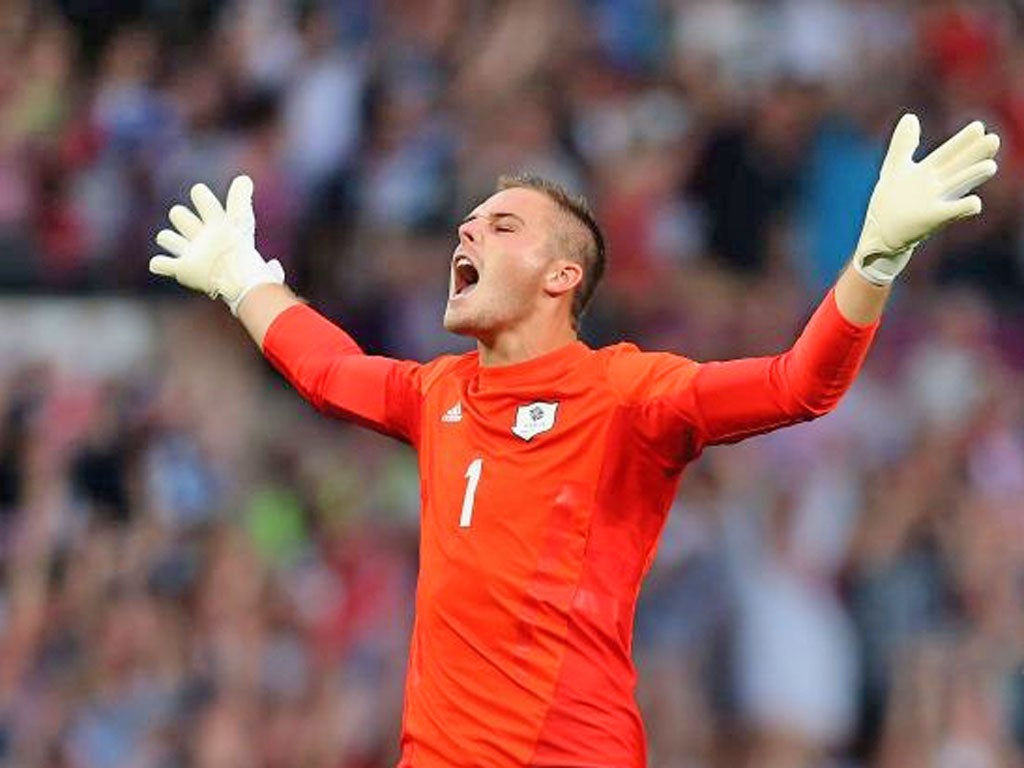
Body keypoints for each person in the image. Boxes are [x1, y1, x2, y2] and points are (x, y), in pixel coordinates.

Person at [149, 114, 998, 767]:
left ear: (563, 277)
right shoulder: (437, 393)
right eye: (470, 221)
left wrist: (874, 263)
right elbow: (331, 370)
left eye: (503, 225)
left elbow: (797, 384)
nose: (468, 232)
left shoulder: (627, 394)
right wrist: (244, 279)